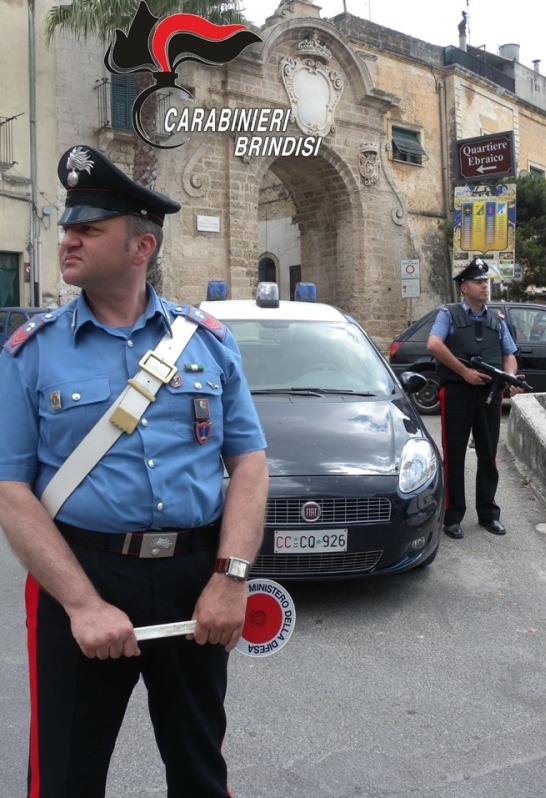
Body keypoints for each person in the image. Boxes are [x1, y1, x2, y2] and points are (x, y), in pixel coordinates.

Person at [0, 144, 269, 798]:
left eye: (88, 229)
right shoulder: (29, 354)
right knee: (64, 774)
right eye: (68, 227)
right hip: (83, 573)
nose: (67, 240)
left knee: (201, 770)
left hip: (194, 573)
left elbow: (251, 465)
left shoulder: (206, 341)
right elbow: (10, 491)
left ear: (140, 247)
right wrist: (84, 604)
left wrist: (231, 579)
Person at [427, 257, 522, 540]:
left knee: (488, 455)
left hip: (489, 395)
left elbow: (509, 355)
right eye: (479, 282)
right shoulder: (448, 314)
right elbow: (434, 344)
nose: (484, 286)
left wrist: (509, 378)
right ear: (464, 287)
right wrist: (464, 372)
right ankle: (453, 516)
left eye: (486, 282)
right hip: (457, 392)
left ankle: (488, 513)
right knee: (454, 455)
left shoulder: (497, 319)